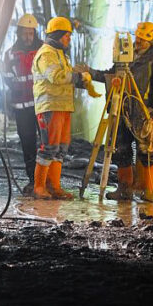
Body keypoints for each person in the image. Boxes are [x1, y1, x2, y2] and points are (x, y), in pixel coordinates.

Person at [86, 21, 153, 202]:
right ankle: (124, 189)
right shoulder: (125, 55)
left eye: (142, 39)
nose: (138, 41)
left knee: (148, 152)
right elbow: (111, 75)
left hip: (143, 112)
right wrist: (91, 73)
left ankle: (149, 191)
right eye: (137, 37)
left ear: (151, 40)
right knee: (120, 149)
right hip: (121, 109)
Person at [30, 16, 94, 200]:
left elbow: (66, 77)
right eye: (67, 35)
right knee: (49, 148)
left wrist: (82, 81)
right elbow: (56, 77)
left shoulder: (60, 54)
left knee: (61, 149)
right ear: (58, 35)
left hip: (63, 107)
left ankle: (54, 187)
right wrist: (78, 77)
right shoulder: (46, 54)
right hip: (50, 106)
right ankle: (39, 187)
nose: (69, 39)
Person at [2, 14, 43, 195]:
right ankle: (33, 180)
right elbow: (7, 78)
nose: (28, 37)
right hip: (22, 107)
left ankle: (48, 181)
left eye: (31, 33)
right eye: (25, 33)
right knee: (28, 143)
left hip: (42, 105)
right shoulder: (10, 54)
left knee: (48, 144)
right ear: (19, 33)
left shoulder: (43, 51)